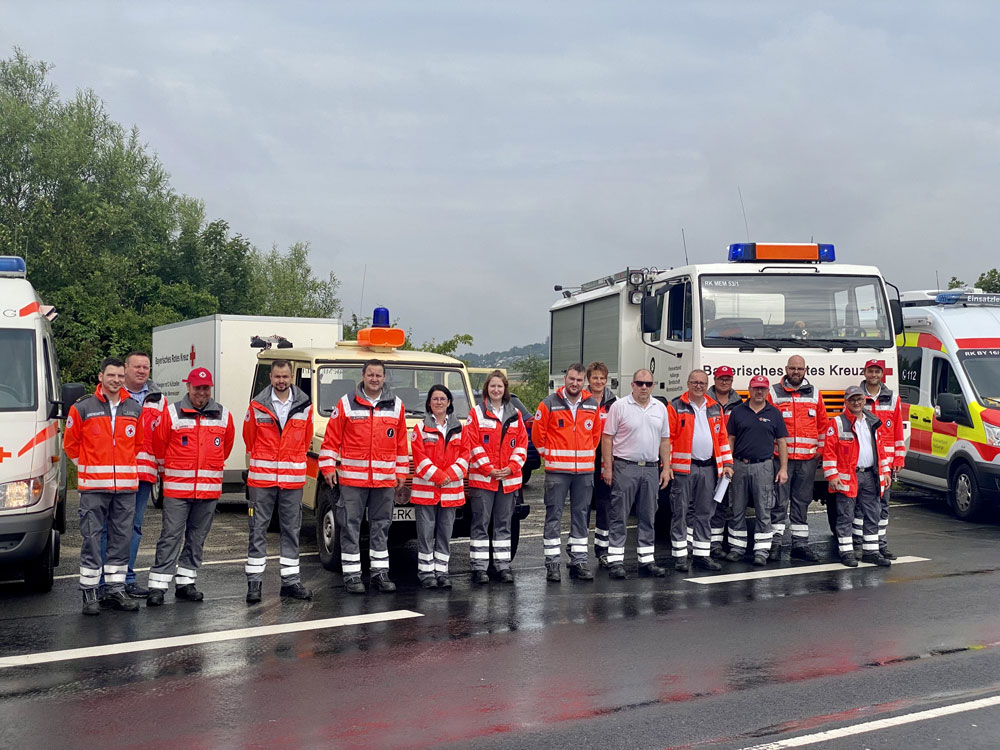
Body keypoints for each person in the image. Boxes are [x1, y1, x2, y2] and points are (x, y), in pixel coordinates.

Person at [319, 359, 409, 594]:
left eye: (378, 375)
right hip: (353, 480)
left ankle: (380, 574)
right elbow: (331, 438)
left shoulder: (396, 405)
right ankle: (352, 576)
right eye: (370, 374)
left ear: (384, 377)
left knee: (382, 527)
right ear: (363, 375)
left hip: (384, 481)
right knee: (350, 527)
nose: (374, 379)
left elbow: (401, 444)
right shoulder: (346, 404)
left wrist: (401, 472)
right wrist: (328, 467)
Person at [147, 368, 234, 606]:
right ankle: (158, 586)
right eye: (197, 388)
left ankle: (186, 582)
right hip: (177, 491)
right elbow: (159, 446)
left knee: (197, 538)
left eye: (206, 388)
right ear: (189, 387)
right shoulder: (172, 413)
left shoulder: (224, 415)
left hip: (207, 491)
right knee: (171, 537)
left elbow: (225, 447)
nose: (201, 393)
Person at [64, 357, 143, 615]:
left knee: (121, 540)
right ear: (101, 376)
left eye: (120, 376)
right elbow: (70, 444)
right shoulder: (83, 407)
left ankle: (115, 590)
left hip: (125, 489)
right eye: (111, 375)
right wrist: (87, 465)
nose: (116, 380)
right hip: (93, 488)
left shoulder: (133, 407)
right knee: (91, 539)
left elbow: (138, 445)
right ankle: (90, 594)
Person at [244, 359, 313, 604]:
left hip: (292, 481)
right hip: (261, 480)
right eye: (277, 377)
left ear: (291, 377)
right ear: (270, 378)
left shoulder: (305, 405)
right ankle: (254, 584)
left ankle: (291, 582)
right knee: (257, 530)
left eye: (285, 376)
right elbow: (248, 438)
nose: (281, 381)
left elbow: (305, 441)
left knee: (291, 531)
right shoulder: (257, 405)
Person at [98, 351, 166, 599]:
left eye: (146, 367)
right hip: (113, 473)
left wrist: (163, 469)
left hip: (144, 474)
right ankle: (105, 581)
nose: (141, 371)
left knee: (133, 528)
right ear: (125, 368)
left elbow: (162, 437)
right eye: (136, 366)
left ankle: (126, 578)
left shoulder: (158, 399)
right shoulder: (113, 394)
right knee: (108, 528)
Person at [533, 363, 603, 582]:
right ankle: (552, 564)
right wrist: (551, 456)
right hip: (557, 472)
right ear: (565, 379)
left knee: (581, 517)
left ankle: (579, 561)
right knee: (553, 516)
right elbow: (537, 435)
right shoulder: (548, 404)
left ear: (584, 382)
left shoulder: (592, 404)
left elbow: (595, 436)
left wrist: (586, 456)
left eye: (579, 380)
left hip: (584, 472)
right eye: (572, 379)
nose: (575, 383)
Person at [600, 369, 671, 578]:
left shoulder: (660, 408)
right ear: (632, 384)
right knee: (619, 515)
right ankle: (615, 561)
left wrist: (666, 467)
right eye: (640, 383)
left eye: (648, 384)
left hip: (650, 468)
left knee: (649, 515)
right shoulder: (619, 406)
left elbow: (665, 440)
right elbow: (607, 438)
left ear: (653, 385)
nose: (644, 387)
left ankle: (646, 560)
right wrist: (608, 467)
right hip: (625, 466)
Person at [667, 370, 734, 571]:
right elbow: (668, 438)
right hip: (683, 469)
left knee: (705, 513)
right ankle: (680, 556)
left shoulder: (714, 407)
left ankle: (701, 555)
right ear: (688, 383)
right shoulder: (676, 406)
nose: (699, 386)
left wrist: (728, 464)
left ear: (707, 385)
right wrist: (667, 466)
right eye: (695, 382)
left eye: (702, 383)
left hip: (708, 468)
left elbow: (722, 438)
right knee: (680, 511)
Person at [465, 370, 528, 584]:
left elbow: (521, 445)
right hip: (484, 479)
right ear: (486, 388)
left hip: (509, 480)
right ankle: (479, 567)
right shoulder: (476, 413)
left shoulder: (515, 414)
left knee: (504, 523)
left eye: (500, 386)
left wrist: (510, 467)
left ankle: (503, 566)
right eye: (492, 386)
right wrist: (488, 468)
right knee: (481, 523)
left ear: (505, 389)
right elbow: (472, 444)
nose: (496, 390)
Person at [822, 385, 893, 568]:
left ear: (864, 401)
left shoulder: (873, 422)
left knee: (873, 514)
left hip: (870, 475)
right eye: (852, 399)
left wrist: (885, 473)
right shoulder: (837, 423)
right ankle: (846, 552)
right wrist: (832, 476)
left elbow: (880, 451)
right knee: (845, 516)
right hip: (848, 477)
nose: (856, 402)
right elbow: (829, 452)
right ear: (846, 402)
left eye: (859, 399)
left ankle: (871, 552)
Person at [724, 376, 789, 566]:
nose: (759, 392)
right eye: (755, 388)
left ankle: (761, 551)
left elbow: (782, 442)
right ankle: (737, 548)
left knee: (764, 509)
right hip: (739, 465)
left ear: (768, 391)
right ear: (749, 390)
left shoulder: (774, 413)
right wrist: (728, 464)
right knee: (736, 508)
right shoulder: (738, 412)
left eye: (762, 389)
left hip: (764, 466)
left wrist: (783, 468)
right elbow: (731, 440)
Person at [769, 355, 828, 562]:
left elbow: (823, 426)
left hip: (807, 460)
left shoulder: (815, 394)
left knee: (801, 502)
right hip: (780, 459)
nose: (796, 372)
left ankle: (800, 545)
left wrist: (819, 452)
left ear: (805, 370)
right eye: (792, 368)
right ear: (786, 369)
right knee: (777, 502)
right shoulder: (774, 393)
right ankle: (774, 544)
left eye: (800, 369)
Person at [410, 385, 469, 589]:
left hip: (450, 491)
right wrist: (439, 476)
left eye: (442, 398)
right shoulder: (420, 428)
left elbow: (465, 457)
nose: (439, 402)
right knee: (425, 533)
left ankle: (442, 572)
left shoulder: (460, 428)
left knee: (445, 533)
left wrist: (448, 476)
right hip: (426, 491)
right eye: (435, 399)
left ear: (449, 402)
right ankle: (426, 573)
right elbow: (419, 458)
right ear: (429, 403)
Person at [855, 359, 904, 559]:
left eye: (877, 371)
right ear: (864, 372)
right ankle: (858, 544)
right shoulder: (856, 397)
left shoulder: (893, 398)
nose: (873, 374)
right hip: (864, 462)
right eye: (870, 371)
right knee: (859, 506)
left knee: (882, 505)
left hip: (885, 464)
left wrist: (898, 460)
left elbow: (898, 430)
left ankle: (880, 544)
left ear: (882, 373)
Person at [706, 365, 743, 559]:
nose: (724, 382)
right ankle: (702, 543)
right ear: (715, 379)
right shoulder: (704, 401)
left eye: (727, 379)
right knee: (705, 503)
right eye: (721, 378)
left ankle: (716, 544)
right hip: (707, 460)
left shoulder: (739, 405)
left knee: (723, 502)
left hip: (728, 462)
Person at [587, 362, 617, 567]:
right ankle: (576, 549)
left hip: (606, 459)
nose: (598, 382)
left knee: (605, 505)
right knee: (582, 507)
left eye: (602, 378)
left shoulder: (615, 403)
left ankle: (603, 549)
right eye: (595, 378)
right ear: (589, 379)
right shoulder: (581, 400)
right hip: (583, 459)